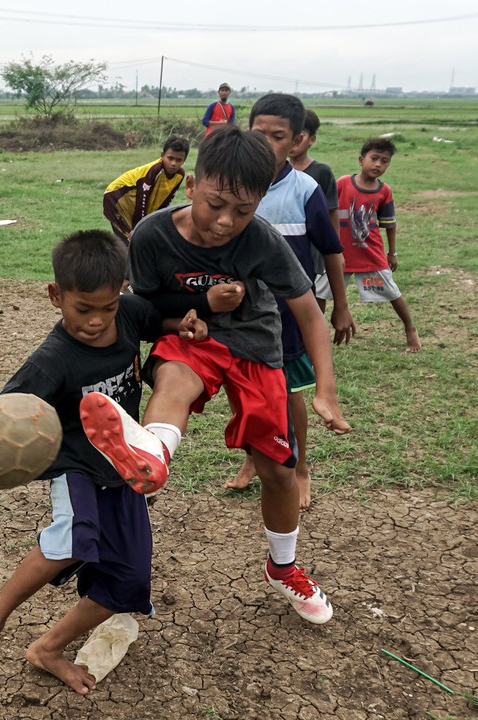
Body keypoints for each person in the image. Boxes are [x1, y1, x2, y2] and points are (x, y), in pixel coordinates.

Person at [0, 230, 206, 694]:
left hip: (124, 469)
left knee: (130, 582)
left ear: (121, 291)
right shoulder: (53, 361)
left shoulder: (128, 315)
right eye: (84, 309)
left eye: (109, 307)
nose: (98, 321)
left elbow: (157, 320)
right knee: (74, 541)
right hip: (74, 466)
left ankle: (47, 648)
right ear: (56, 296)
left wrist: (183, 325)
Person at [79, 126, 351, 625]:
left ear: (260, 203)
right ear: (191, 185)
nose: (226, 222)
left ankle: (282, 567)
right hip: (193, 335)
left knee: (278, 472)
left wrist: (327, 391)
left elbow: (310, 314)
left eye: (243, 211)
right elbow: (148, 305)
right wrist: (198, 306)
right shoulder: (153, 235)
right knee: (175, 376)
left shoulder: (263, 243)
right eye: (215, 204)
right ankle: (153, 452)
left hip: (254, 345)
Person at [223, 94, 354, 507]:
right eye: (258, 134)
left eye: (277, 136)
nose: (266, 144)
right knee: (243, 389)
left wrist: (341, 306)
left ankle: (299, 468)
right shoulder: (230, 185)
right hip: (240, 312)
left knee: (289, 390)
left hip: (290, 313)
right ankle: (253, 459)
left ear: (297, 140)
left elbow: (331, 249)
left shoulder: (305, 189)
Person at [315, 137, 421, 352]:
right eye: (374, 159)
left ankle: (410, 329)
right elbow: (329, 212)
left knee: (392, 292)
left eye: (384, 161)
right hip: (339, 254)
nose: (378, 165)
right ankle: (314, 334)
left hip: (370, 253)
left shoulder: (384, 191)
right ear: (361, 160)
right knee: (320, 293)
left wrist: (392, 253)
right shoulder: (343, 183)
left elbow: (389, 225)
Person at [102, 136, 189, 243]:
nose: (173, 163)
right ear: (162, 156)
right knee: (130, 241)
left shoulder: (180, 175)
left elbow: (166, 201)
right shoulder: (154, 170)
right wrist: (138, 227)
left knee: (143, 240)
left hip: (134, 204)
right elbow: (142, 200)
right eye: (170, 158)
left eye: (178, 160)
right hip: (116, 198)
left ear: (184, 160)